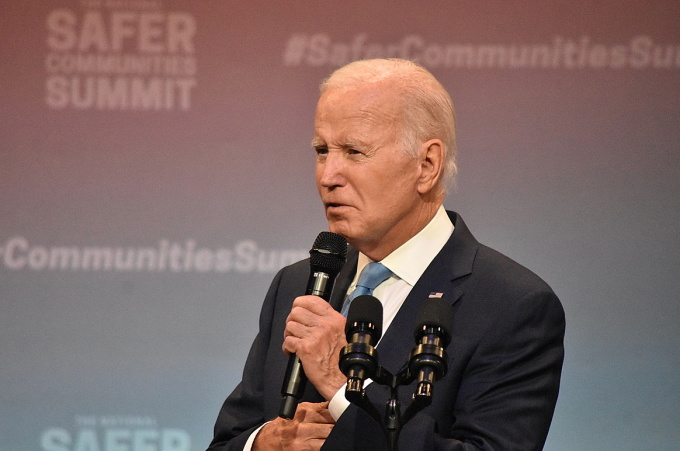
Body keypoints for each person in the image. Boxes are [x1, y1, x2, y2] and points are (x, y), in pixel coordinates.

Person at [207, 58, 565, 451]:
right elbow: (227, 440)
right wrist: (263, 445)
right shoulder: (297, 283)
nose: (328, 176)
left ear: (427, 165)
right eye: (322, 150)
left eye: (355, 151)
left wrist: (344, 388)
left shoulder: (511, 304)